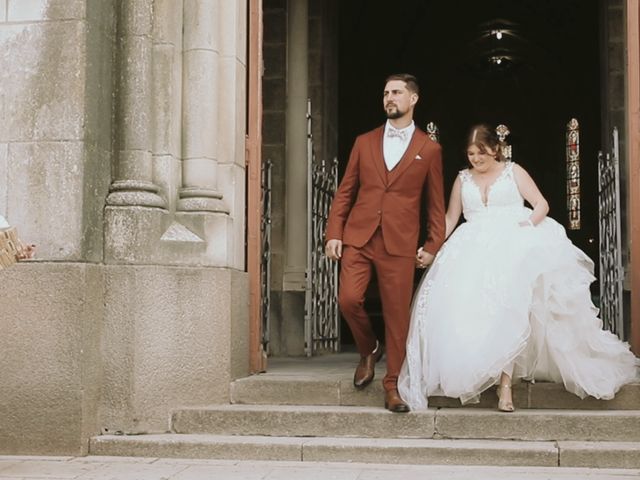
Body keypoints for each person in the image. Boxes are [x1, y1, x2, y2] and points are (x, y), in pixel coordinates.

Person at [398, 124, 639, 412]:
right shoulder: (463, 179)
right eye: (471, 154)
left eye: (482, 153)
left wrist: (527, 227)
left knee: (509, 309)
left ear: (495, 150)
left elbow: (541, 204)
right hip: (471, 249)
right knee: (469, 310)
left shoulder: (514, 171)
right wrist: (432, 247)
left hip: (513, 245)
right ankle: (477, 368)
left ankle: (505, 385)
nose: (476, 159)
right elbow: (451, 218)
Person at [325, 73, 446, 413]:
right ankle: (369, 348)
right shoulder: (364, 142)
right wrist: (335, 231)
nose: (389, 97)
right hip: (359, 237)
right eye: (385, 93)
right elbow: (346, 191)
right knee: (348, 299)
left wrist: (433, 244)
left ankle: (392, 385)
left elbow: (435, 205)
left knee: (397, 317)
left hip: (400, 243)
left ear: (413, 99)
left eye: (396, 92)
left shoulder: (429, 149)